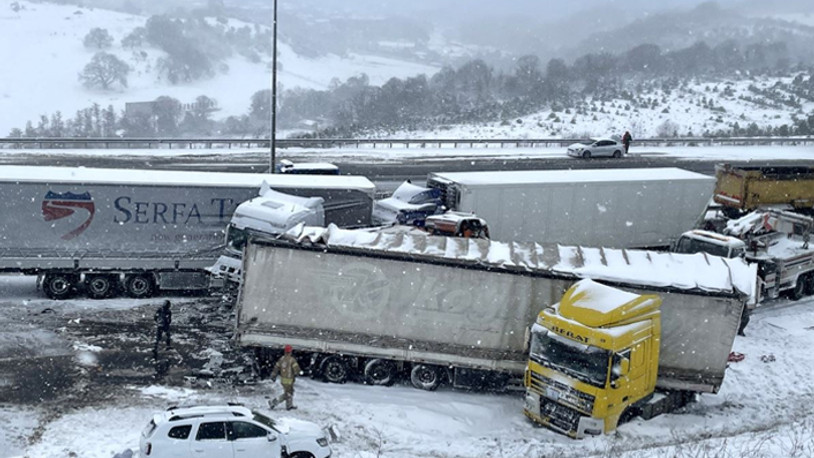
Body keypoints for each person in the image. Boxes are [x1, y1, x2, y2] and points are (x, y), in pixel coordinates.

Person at [269, 345, 301, 410]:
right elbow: (296, 369)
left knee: (289, 392)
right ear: (290, 351)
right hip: (289, 380)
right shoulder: (292, 360)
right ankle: (273, 402)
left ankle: (289, 405)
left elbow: (276, 367)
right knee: (288, 393)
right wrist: (298, 372)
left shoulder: (281, 359)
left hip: (283, 380)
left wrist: (273, 375)